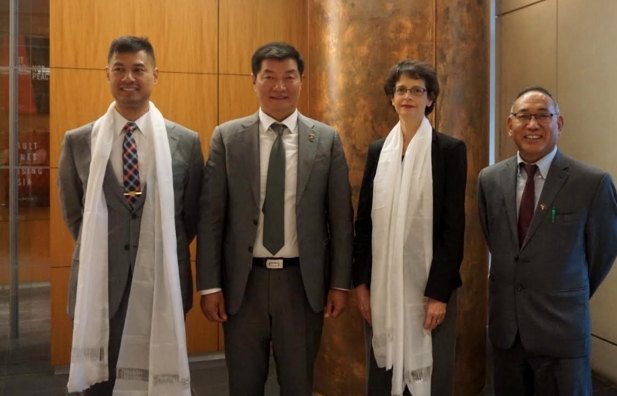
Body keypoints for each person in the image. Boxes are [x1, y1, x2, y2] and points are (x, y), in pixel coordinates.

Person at [196, 41, 353, 395]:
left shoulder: (326, 140)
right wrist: (210, 285)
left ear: (301, 81)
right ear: (253, 80)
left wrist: (339, 283)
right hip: (243, 284)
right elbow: (211, 218)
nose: (279, 86)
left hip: (302, 285)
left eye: (289, 77)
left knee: (298, 384)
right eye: (269, 76)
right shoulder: (227, 138)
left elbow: (341, 221)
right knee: (244, 384)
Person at [58, 35, 203, 395]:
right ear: (106, 74)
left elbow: (192, 214)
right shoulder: (79, 141)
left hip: (162, 280)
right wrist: (102, 248)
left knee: (156, 378)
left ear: (156, 75)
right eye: (119, 69)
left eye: (138, 69)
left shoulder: (185, 142)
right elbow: (74, 212)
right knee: (101, 384)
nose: (128, 78)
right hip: (100, 280)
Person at [477, 86, 617, 395]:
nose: (533, 124)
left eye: (543, 115)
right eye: (524, 116)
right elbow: (498, 243)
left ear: (559, 123)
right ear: (509, 125)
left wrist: (562, 291)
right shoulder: (489, 180)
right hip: (507, 334)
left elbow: (603, 253)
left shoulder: (591, 183)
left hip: (561, 332)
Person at [353, 59, 467, 396]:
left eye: (417, 90)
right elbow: (364, 221)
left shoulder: (449, 150)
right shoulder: (378, 151)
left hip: (431, 290)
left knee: (432, 375)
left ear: (430, 99)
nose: (408, 96)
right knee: (382, 375)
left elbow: (453, 227)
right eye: (401, 90)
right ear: (391, 97)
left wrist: (438, 294)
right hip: (381, 286)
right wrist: (360, 282)